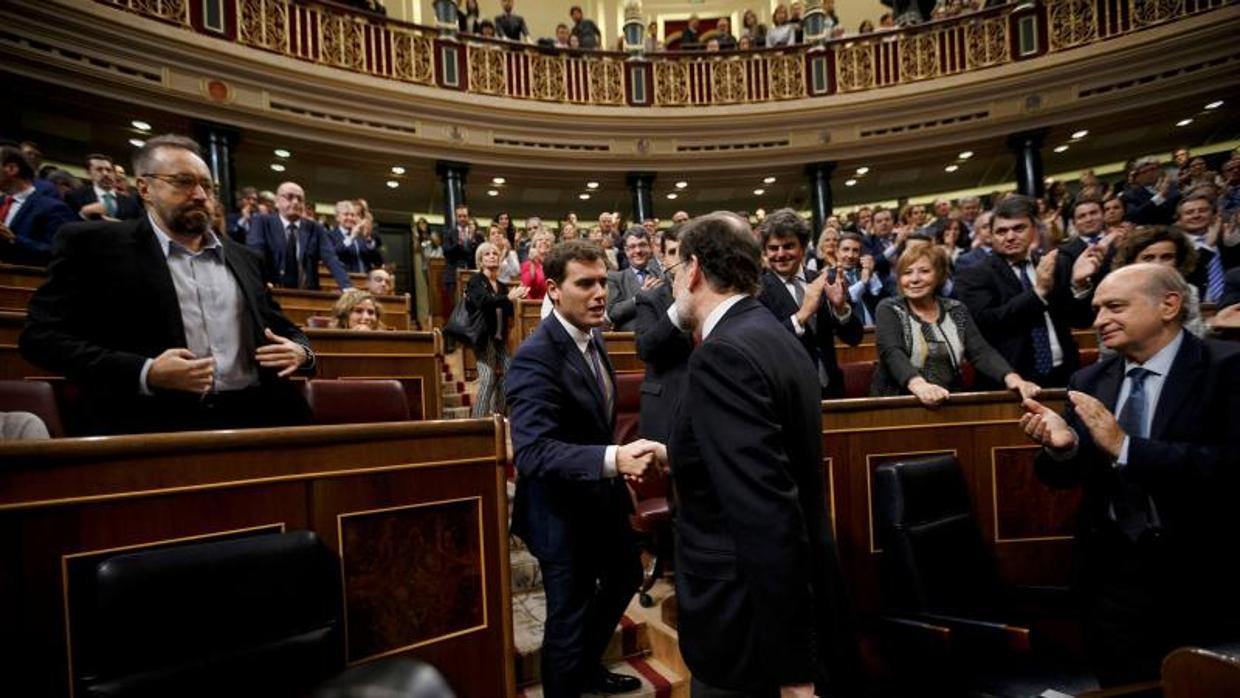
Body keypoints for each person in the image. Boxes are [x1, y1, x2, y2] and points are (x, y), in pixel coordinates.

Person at [653, 212, 858, 696]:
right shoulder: (775, 334)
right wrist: (679, 453)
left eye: (676, 270)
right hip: (778, 606)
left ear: (695, 269)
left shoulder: (721, 354)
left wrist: (793, 668)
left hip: (746, 627)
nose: (675, 282)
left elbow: (766, 511)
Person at [1021, 263, 1240, 686]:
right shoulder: (1090, 379)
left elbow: (1230, 466)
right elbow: (1062, 477)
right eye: (1098, 309)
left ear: (1169, 305)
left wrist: (1127, 448)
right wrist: (1062, 450)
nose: (1100, 320)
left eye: (1115, 307)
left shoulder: (1227, 368)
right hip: (1112, 579)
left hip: (1203, 574)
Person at [19, 135, 314, 435]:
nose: (199, 195)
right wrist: (145, 372)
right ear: (144, 188)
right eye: (183, 182)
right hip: (150, 422)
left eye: (207, 186)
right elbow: (40, 338)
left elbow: (286, 330)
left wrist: (302, 353)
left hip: (257, 416)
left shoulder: (245, 258)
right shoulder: (92, 245)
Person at [505, 240, 656, 697]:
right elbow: (531, 453)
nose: (599, 294)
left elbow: (591, 423)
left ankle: (588, 668)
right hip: (558, 511)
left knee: (626, 576)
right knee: (566, 622)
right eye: (584, 284)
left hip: (600, 499)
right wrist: (612, 458)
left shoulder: (594, 337)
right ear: (552, 289)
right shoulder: (535, 354)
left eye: (603, 283)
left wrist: (614, 470)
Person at [871, 245, 1041, 404]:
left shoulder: (956, 309)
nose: (914, 279)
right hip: (898, 403)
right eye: (907, 273)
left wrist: (1013, 379)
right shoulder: (889, 308)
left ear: (939, 275)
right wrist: (919, 386)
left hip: (949, 400)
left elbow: (980, 352)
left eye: (924, 271)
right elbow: (892, 352)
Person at [956, 195, 1083, 388]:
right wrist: (1038, 292)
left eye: (1019, 228)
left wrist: (1080, 284)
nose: (1010, 237)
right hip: (1009, 381)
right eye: (1001, 231)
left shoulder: (1048, 264)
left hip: (1064, 373)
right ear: (991, 236)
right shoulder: (975, 273)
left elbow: (1079, 319)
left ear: (1034, 230)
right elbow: (987, 322)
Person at [633, 225, 690, 442]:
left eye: (685, 252)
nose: (680, 259)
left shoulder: (711, 296)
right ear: (663, 259)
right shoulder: (651, 299)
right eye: (673, 252)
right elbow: (644, 348)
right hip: (667, 404)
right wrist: (679, 309)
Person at [246, 181, 351, 292]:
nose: (296, 202)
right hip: (270, 293)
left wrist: (347, 287)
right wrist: (260, 282)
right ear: (276, 202)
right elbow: (255, 254)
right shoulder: (262, 222)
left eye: (300, 199)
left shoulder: (315, 228)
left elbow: (331, 258)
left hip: (307, 295)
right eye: (289, 197)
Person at [1110, 225, 1207, 339]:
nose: (1157, 264)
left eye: (1167, 257)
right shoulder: (1116, 295)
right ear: (1132, 263)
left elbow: (1195, 337)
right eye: (1148, 258)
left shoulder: (1189, 291)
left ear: (1178, 261)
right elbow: (1110, 349)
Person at [468, 241, 527, 417]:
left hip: (499, 338)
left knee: (508, 375)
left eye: (495, 253)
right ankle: (476, 422)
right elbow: (483, 303)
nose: (492, 256)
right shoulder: (476, 281)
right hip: (483, 337)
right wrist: (508, 297)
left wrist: (515, 299)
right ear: (480, 260)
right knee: (488, 378)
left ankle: (497, 416)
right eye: (487, 254)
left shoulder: (501, 285)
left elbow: (506, 310)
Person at [0, 145, 77, 266]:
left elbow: (58, 253)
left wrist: (13, 239)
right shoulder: (2, 202)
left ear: (11, 168)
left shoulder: (53, 208)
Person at [606, 227, 662, 331]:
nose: (638, 250)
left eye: (642, 245)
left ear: (650, 248)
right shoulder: (615, 278)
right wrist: (641, 296)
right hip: (630, 341)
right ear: (626, 251)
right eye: (632, 247)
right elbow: (613, 313)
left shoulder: (662, 276)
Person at [65, 153, 142, 220]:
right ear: (89, 173)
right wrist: (83, 214)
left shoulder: (130, 202)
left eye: (109, 170)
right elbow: (66, 228)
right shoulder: (75, 197)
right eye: (99, 169)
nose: (105, 173)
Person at [328, 199, 383, 274]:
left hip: (365, 281)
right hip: (344, 282)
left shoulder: (361, 236)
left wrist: (368, 239)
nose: (350, 218)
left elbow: (378, 262)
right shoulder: (330, 235)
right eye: (346, 214)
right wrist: (350, 238)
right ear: (337, 217)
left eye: (352, 215)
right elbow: (331, 255)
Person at [520, 230, 553, 300]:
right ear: (534, 246)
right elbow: (527, 287)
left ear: (552, 246)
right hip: (535, 305)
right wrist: (533, 263)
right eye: (540, 239)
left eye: (547, 240)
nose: (544, 241)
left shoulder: (556, 264)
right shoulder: (526, 265)